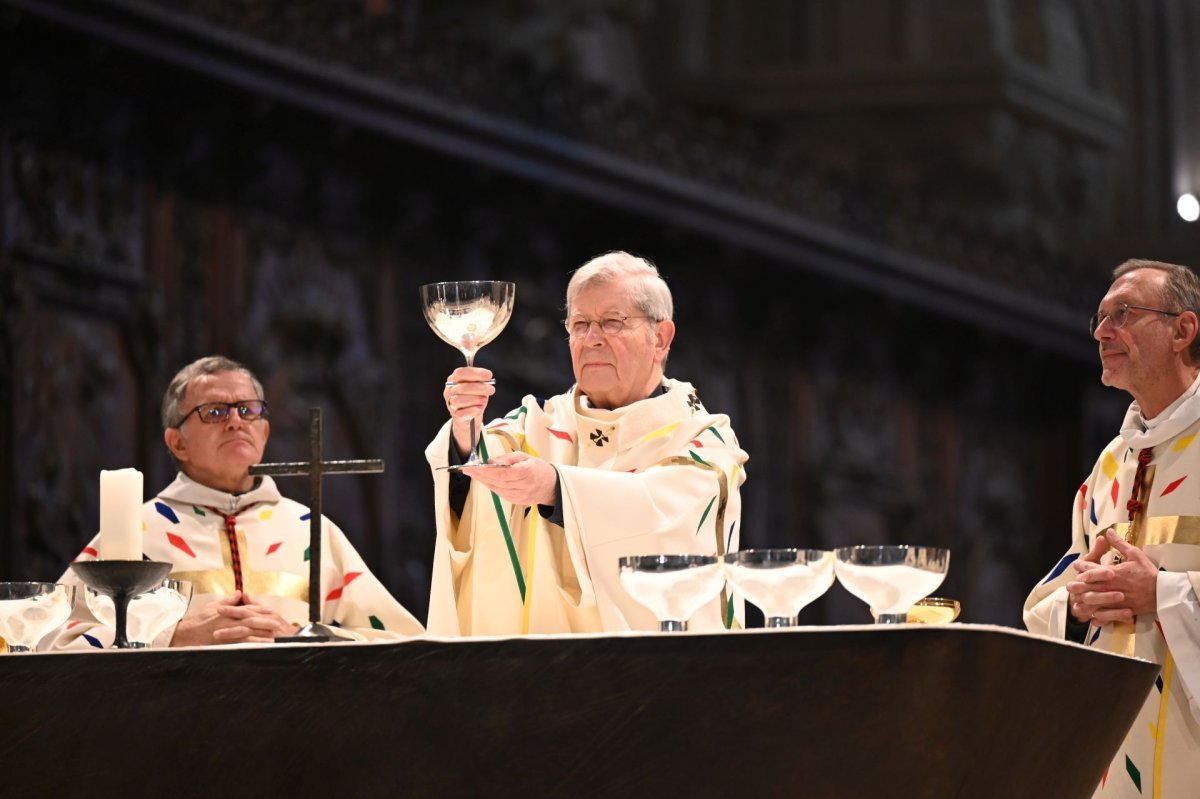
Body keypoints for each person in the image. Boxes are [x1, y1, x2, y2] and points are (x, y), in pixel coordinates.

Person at [425, 251, 748, 635]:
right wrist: (465, 428)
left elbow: (664, 513)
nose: (591, 339)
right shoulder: (537, 424)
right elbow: (476, 468)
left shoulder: (703, 438)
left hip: (651, 674)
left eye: (612, 322)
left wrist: (557, 487)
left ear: (660, 338)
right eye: (579, 324)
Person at [50, 355, 423, 648]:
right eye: (214, 412)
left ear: (263, 433)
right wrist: (171, 637)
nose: (235, 422)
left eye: (248, 410)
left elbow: (403, 643)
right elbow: (52, 639)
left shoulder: (312, 532)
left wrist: (299, 638)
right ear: (176, 442)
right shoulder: (136, 534)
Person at [1024, 260, 1200, 797]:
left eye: (1123, 313)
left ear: (1183, 330)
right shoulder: (1107, 470)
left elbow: (1159, 593)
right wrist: (1074, 609)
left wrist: (1165, 593)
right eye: (1099, 319)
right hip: (1109, 755)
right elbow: (1054, 597)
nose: (1102, 332)